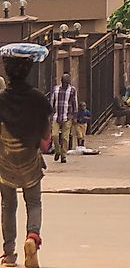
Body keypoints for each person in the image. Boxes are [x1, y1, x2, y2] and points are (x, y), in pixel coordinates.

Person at [0, 44, 52, 268]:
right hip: (30, 159)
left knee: (8, 206)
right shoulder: (39, 99)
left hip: (4, 160)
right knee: (34, 203)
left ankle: (9, 255)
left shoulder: (0, 99)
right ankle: (32, 238)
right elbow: (46, 136)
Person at [46, 76, 75, 166]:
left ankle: (63, 155)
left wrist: (74, 115)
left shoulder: (72, 90)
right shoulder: (56, 89)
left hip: (67, 116)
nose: (66, 84)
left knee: (65, 137)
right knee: (55, 135)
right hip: (56, 116)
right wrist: (50, 114)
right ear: (61, 82)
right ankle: (57, 151)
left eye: (67, 83)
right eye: (65, 82)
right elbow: (52, 102)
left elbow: (74, 102)